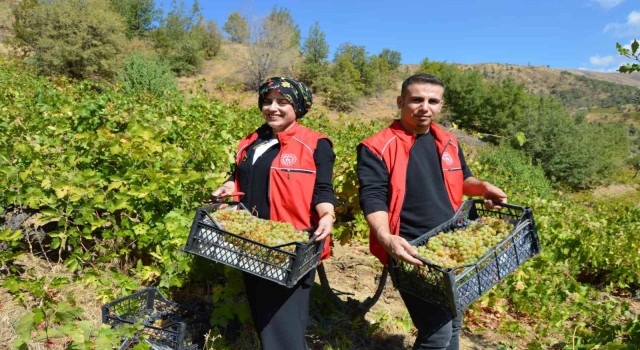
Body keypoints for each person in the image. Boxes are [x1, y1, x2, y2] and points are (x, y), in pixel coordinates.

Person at [356, 73, 507, 350]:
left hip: (450, 246)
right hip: (411, 250)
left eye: (432, 101)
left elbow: (462, 180)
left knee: (454, 321)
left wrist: (483, 187)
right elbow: (373, 196)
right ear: (401, 101)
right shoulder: (377, 146)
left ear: (440, 105)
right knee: (436, 332)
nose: (425, 107)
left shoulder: (448, 141)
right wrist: (384, 235)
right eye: (416, 99)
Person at [212, 77, 336, 350]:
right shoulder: (252, 141)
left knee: (282, 330)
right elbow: (238, 177)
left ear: (298, 107)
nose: (273, 108)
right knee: (265, 321)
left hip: (290, 247)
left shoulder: (315, 144)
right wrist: (226, 187)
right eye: (267, 102)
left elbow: (323, 189)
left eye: (283, 102)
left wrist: (327, 215)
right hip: (251, 242)